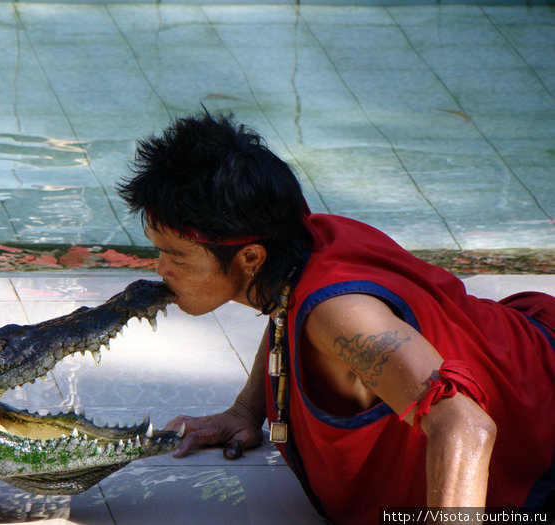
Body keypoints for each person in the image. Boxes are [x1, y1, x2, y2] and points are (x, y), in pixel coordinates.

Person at [117, 112, 555, 524]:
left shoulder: (339, 315)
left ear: (250, 257)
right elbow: (284, 306)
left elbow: (465, 425)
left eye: (175, 256)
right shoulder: (292, 249)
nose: (160, 269)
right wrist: (247, 409)